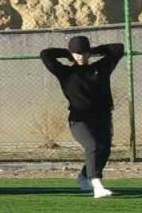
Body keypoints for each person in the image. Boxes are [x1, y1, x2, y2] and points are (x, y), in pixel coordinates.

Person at [41, 35, 124, 198]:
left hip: (103, 116)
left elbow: (118, 48)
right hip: (79, 119)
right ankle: (97, 185)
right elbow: (45, 55)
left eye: (84, 52)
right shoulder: (65, 72)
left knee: (104, 150)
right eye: (77, 53)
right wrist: (66, 53)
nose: (81, 56)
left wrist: (93, 51)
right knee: (92, 146)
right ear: (72, 54)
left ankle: (83, 177)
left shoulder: (101, 68)